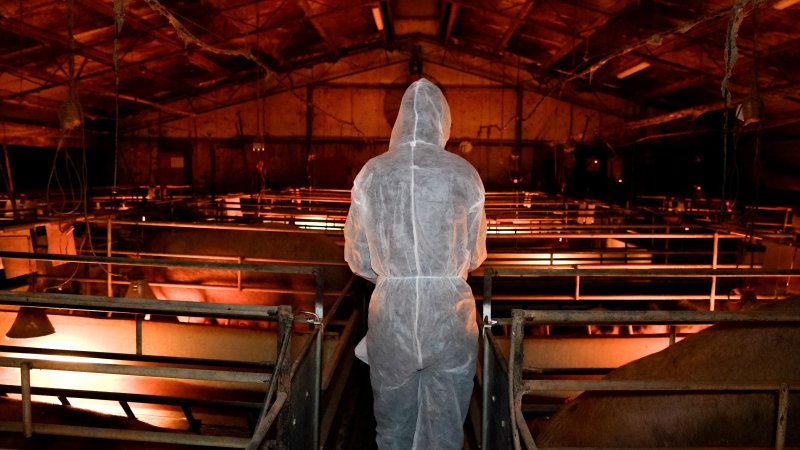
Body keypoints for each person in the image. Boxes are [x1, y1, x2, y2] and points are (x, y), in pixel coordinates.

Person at [344, 78, 487, 449]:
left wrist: (396, 280)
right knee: (446, 426)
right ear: (443, 121)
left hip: (392, 314)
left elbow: (357, 257)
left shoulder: (373, 173)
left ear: (401, 120)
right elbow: (475, 255)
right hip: (450, 315)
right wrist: (440, 274)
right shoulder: (464, 174)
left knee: (392, 424)